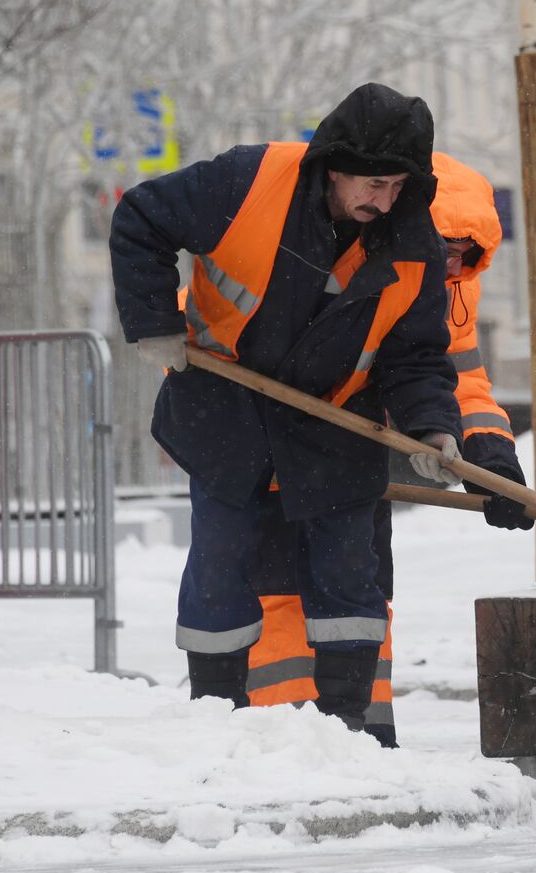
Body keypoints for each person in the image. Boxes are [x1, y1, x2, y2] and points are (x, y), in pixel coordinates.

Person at [110, 83, 465, 734]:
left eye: (398, 187)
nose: (384, 202)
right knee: (221, 563)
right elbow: (141, 217)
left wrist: (433, 429)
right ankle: (215, 718)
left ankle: (346, 728)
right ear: (334, 164)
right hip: (227, 402)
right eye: (374, 183)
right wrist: (154, 321)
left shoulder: (415, 248)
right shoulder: (250, 182)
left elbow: (416, 357)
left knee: (347, 570)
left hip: (338, 419)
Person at [244, 150, 533, 747]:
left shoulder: (450, 289)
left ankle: (365, 738)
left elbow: (463, 381)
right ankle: (275, 738)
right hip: (268, 445)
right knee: (279, 594)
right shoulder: (338, 253)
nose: (451, 265)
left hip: (351, 456)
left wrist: (489, 457)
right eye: (442, 248)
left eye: (464, 255)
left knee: (364, 596)